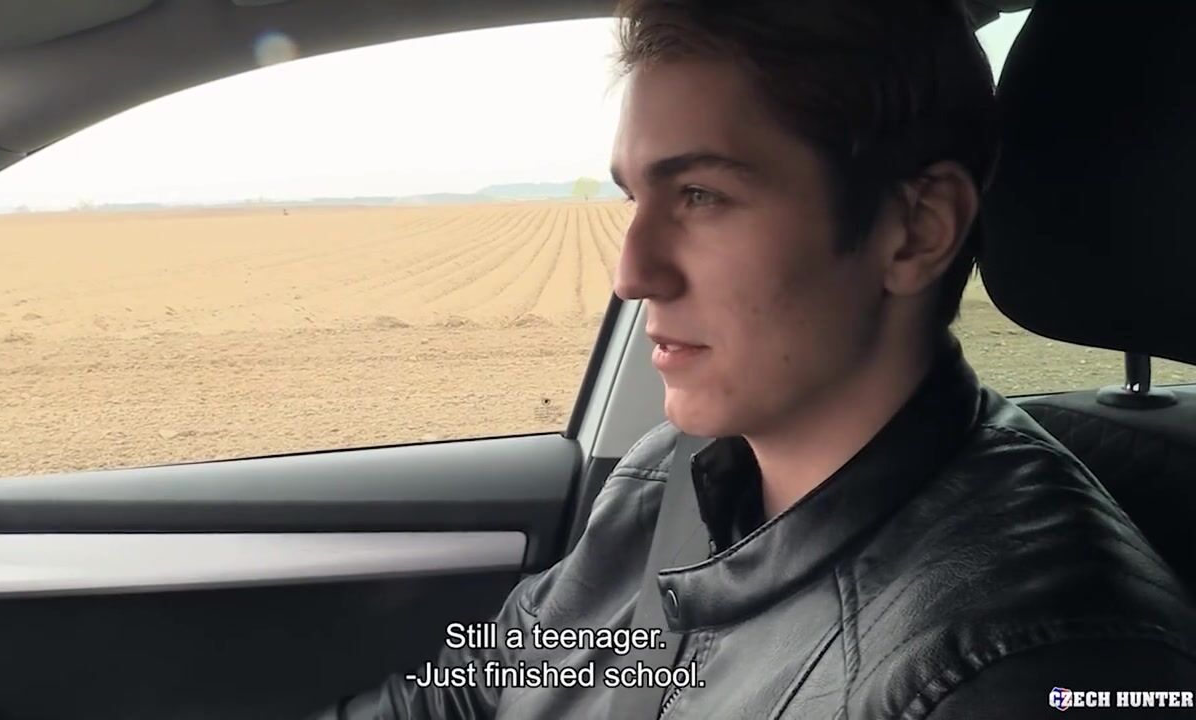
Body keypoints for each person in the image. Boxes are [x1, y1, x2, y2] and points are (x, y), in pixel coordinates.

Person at [319, 0, 1196, 717]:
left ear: (916, 230)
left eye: (701, 194)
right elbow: (478, 694)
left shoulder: (1028, 672)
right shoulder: (677, 474)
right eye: (635, 197)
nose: (632, 273)